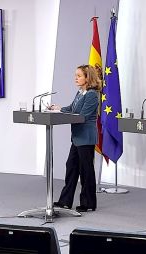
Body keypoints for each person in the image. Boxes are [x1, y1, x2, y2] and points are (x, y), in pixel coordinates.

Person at [50, 65, 101, 212]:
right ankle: (65, 201)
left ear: (87, 77)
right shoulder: (80, 92)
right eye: (76, 75)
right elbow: (72, 108)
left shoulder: (91, 95)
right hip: (77, 137)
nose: (76, 78)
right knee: (71, 167)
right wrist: (58, 109)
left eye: (79, 76)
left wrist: (65, 114)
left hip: (85, 137)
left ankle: (88, 203)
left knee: (86, 171)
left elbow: (81, 116)